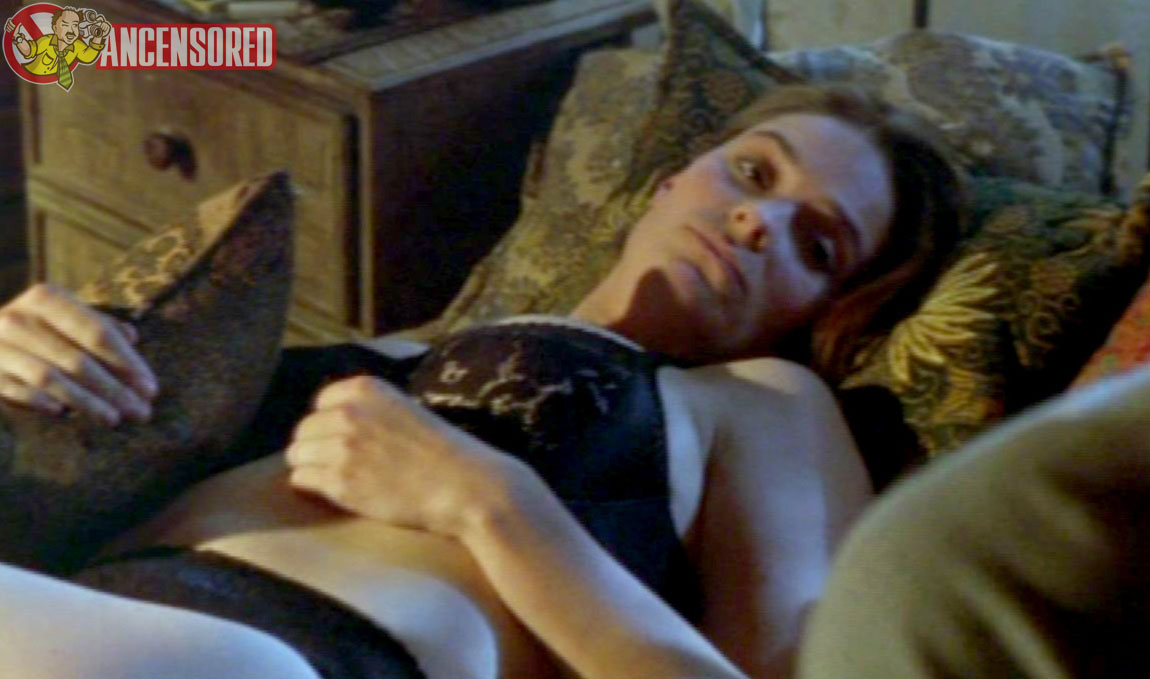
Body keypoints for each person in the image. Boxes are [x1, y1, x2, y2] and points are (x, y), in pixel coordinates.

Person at [0, 83, 964, 679]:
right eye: (753, 173)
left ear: (824, 309)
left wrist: (490, 502)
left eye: (817, 243)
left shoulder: (764, 403)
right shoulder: (398, 345)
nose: (759, 222)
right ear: (673, 179)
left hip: (283, 659)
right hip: (80, 601)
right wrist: (26, 360)